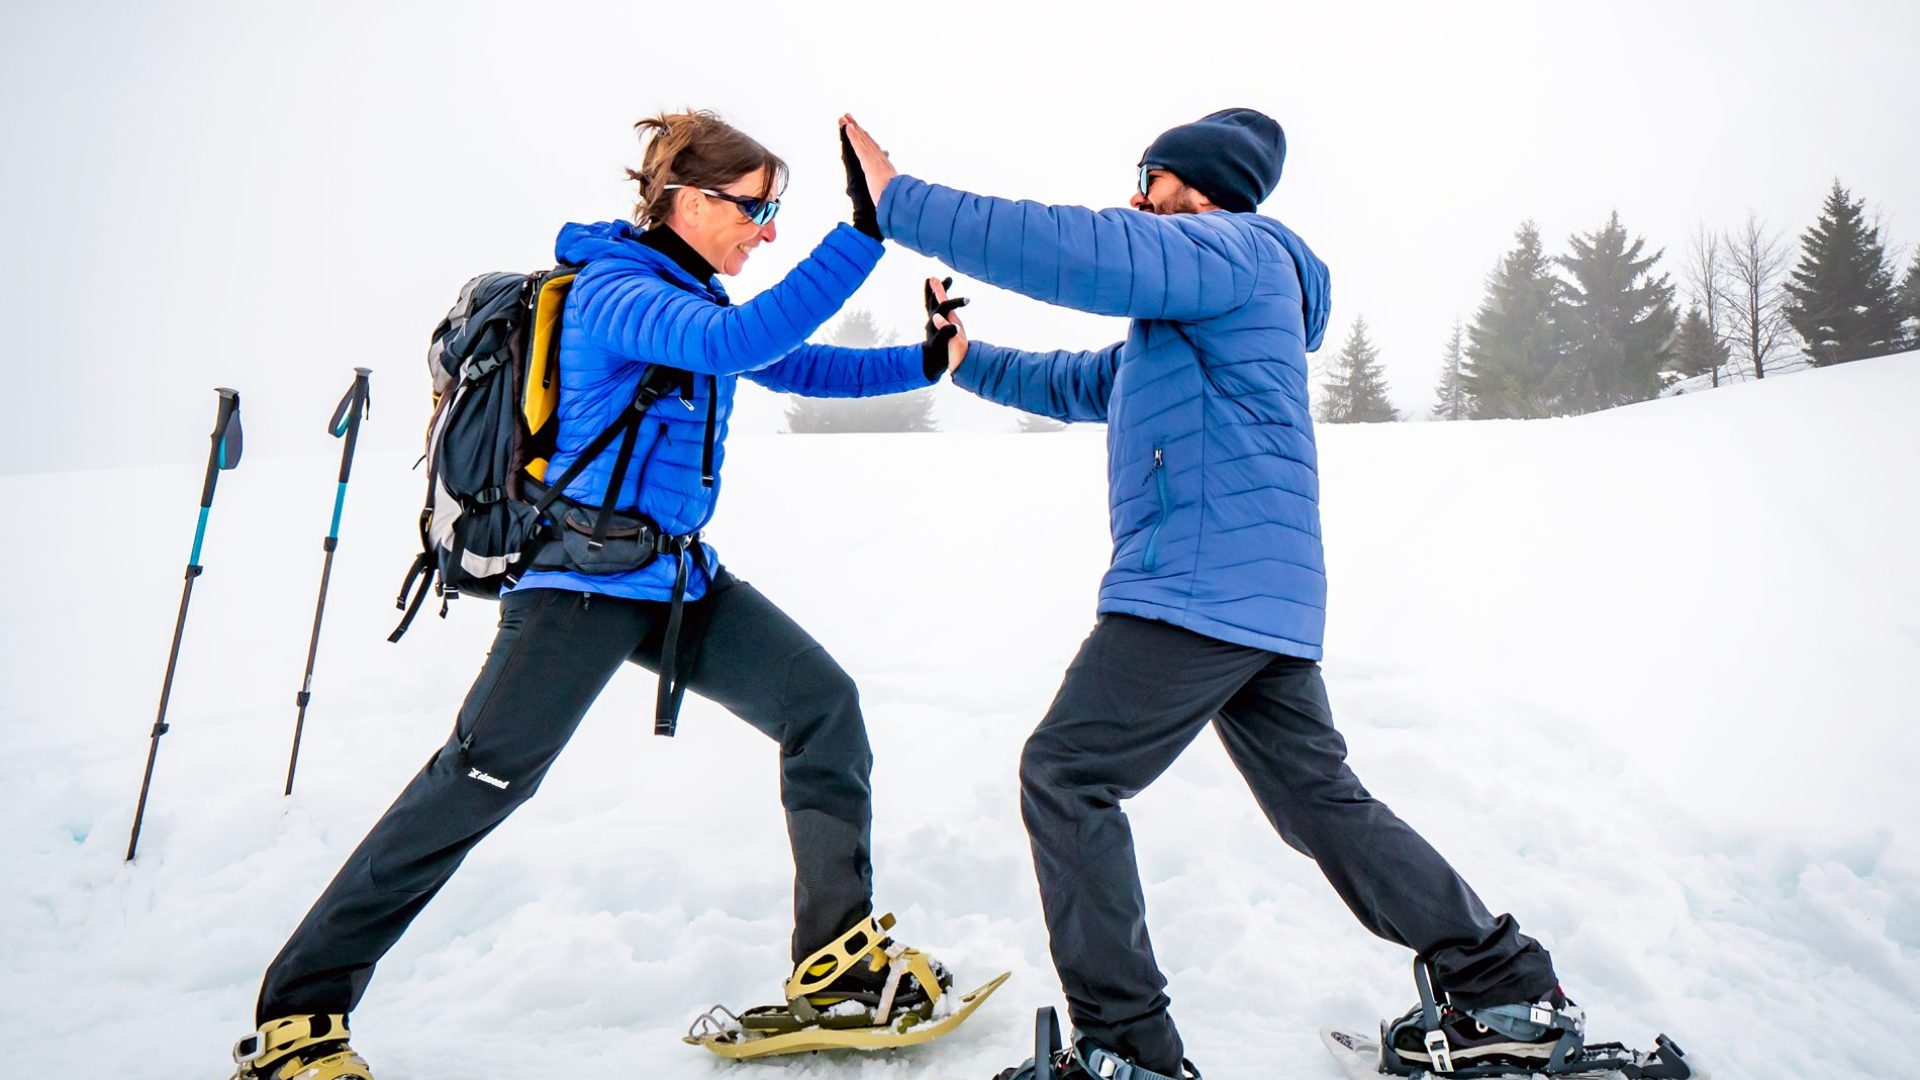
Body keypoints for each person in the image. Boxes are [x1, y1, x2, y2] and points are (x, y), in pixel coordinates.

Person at [841, 111, 1579, 1080]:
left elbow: (1076, 250)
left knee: (1067, 775)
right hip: (1255, 599)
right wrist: (965, 359)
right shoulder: (1201, 313)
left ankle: (1128, 1048)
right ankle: (1502, 988)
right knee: (1322, 804)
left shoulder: (1229, 250)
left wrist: (901, 201)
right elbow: (1078, 383)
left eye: (1147, 179)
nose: (1134, 196)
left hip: (1198, 584)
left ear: (1193, 184)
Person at [228, 110, 961, 1080]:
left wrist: (925, 362)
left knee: (820, 707)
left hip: (673, 581)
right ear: (686, 200)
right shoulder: (618, 295)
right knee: (477, 783)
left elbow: (787, 358)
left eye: (779, 210)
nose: (769, 229)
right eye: (756, 208)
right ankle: (298, 1017)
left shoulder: (687, 299)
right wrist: (865, 228)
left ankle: (837, 966)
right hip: (576, 584)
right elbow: (754, 336)